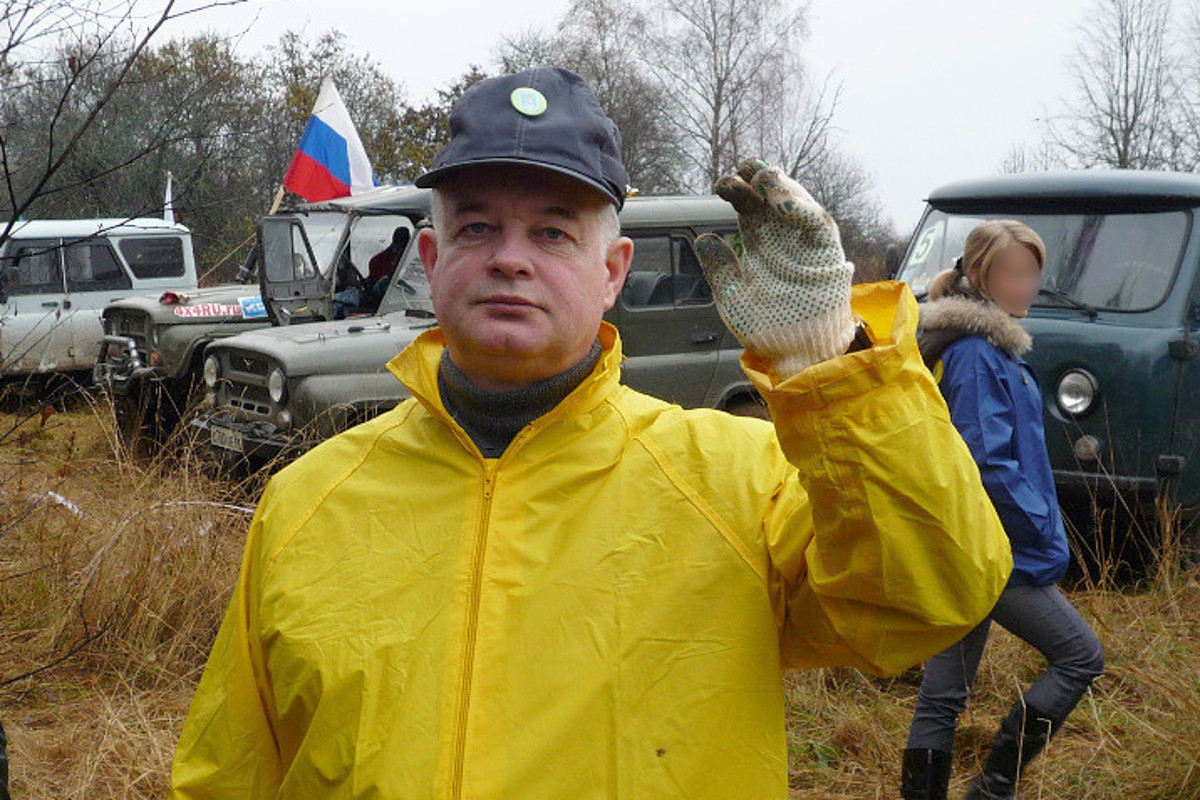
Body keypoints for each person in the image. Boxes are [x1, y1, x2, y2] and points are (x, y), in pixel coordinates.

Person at [169, 67, 1012, 799]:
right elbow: (230, 774)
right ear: (430, 261)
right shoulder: (308, 501)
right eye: (476, 227)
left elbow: (932, 594)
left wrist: (827, 362)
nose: (509, 257)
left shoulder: (739, 480)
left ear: (612, 273)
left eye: (551, 232)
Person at [900, 220, 1105, 800]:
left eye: (1034, 272)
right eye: (1015, 272)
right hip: (994, 549)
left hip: (972, 546)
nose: (1028, 284)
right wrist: (1041, 527)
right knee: (1081, 656)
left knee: (943, 693)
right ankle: (992, 791)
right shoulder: (974, 355)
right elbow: (986, 466)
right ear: (981, 277)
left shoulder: (996, 348)